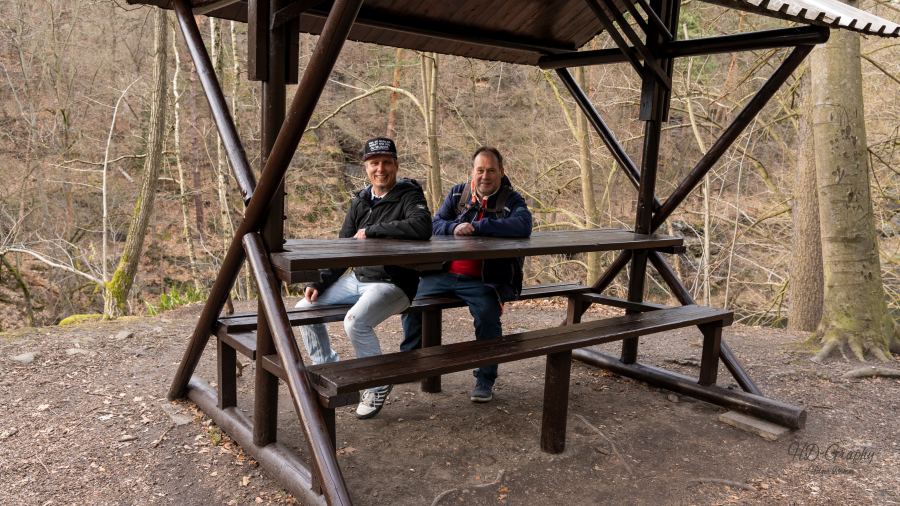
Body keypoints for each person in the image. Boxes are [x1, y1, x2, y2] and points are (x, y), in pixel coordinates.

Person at [297, 137, 431, 419]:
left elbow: (421, 226)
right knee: (304, 309)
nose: (380, 169)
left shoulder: (409, 195)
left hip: (394, 284)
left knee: (355, 322)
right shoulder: (360, 200)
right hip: (358, 280)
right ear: (365, 168)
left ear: (395, 165)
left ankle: (377, 382)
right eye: (374, 163)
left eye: (385, 162)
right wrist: (319, 282)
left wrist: (374, 230)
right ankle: (329, 371)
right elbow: (342, 247)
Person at [400, 146, 532, 402]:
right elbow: (434, 223)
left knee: (488, 316)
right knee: (410, 299)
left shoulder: (511, 200)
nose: (485, 176)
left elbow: (523, 225)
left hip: (484, 280)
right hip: (443, 272)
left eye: (491, 170)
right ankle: (412, 360)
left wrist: (481, 226)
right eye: (480, 170)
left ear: (501, 172)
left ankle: (485, 380)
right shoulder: (458, 193)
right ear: (472, 172)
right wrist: (455, 226)